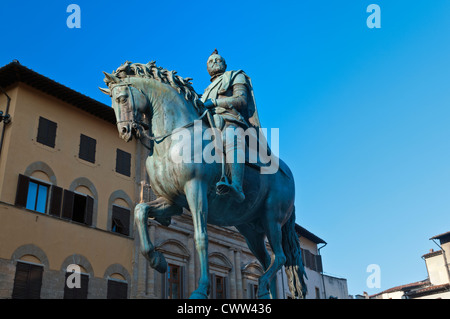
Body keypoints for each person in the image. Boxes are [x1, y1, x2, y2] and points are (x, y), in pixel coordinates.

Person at [201, 49, 261, 203]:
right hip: (210, 122)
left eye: (217, 60)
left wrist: (215, 102)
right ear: (207, 68)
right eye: (210, 61)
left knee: (231, 136)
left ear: (225, 64)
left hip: (230, 120)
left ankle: (237, 186)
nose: (214, 63)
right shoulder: (205, 91)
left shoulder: (236, 75)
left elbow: (241, 100)